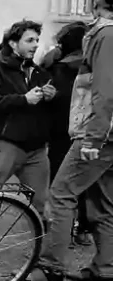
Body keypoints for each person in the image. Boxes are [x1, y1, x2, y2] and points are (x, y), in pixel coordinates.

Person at [29, 0, 113, 281]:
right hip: (108, 135)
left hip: (98, 133)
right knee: (105, 201)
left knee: (62, 194)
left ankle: (52, 266)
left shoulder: (105, 34)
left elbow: (105, 90)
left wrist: (94, 135)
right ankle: (106, 267)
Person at [0, 20, 54, 222]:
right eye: (29, 40)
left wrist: (50, 96)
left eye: (37, 40)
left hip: (36, 148)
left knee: (40, 202)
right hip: (6, 143)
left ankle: (39, 247)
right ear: (13, 43)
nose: (36, 44)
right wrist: (23, 99)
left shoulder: (38, 72)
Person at [40, 21, 94, 246]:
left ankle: (59, 233)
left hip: (59, 132)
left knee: (60, 186)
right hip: (85, 131)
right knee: (86, 185)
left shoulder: (56, 67)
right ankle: (82, 229)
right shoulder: (92, 67)